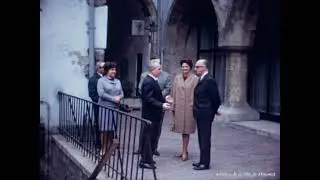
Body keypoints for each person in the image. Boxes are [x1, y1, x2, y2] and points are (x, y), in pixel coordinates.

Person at [135, 58, 172, 156]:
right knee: (148, 134)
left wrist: (164, 99)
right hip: (150, 112)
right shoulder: (148, 80)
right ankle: (145, 157)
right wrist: (161, 104)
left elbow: (161, 92)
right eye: (159, 69)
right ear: (153, 69)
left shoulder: (155, 79)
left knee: (153, 133)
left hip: (155, 111)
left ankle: (149, 154)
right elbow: (147, 97)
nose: (160, 71)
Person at [192, 59, 221, 170]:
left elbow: (216, 99)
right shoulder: (202, 79)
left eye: (198, 67)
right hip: (200, 114)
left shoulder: (209, 80)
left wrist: (212, 111)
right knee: (201, 138)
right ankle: (202, 160)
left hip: (205, 114)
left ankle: (205, 163)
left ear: (205, 67)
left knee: (205, 139)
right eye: (196, 67)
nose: (196, 69)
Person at [171, 59, 198, 161]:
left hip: (189, 108)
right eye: (183, 66)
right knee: (181, 130)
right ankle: (184, 150)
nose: (184, 68)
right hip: (179, 108)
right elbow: (173, 92)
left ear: (190, 67)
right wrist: (172, 106)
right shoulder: (177, 78)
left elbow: (197, 94)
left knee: (186, 131)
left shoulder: (195, 79)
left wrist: (195, 106)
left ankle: (184, 151)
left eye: (186, 66)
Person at [97, 62, 124, 156]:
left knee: (112, 129)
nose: (114, 71)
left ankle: (109, 148)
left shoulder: (118, 81)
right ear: (107, 70)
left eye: (115, 70)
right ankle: (103, 148)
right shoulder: (101, 81)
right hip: (105, 107)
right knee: (104, 129)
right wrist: (113, 99)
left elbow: (122, 93)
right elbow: (101, 94)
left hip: (114, 108)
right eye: (112, 69)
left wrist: (119, 97)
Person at [88, 61, 105, 150]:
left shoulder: (106, 78)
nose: (105, 68)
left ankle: (107, 142)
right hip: (98, 105)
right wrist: (100, 101)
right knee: (99, 123)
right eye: (103, 67)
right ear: (98, 68)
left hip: (107, 105)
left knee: (108, 124)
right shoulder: (93, 79)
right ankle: (99, 143)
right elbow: (92, 94)